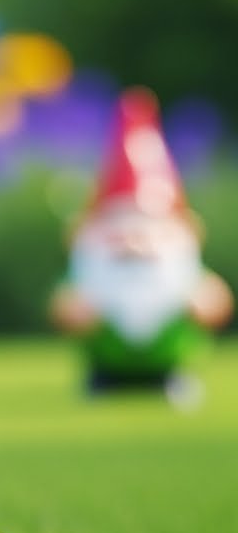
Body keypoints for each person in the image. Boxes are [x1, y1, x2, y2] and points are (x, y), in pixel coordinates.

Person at [50, 87, 233, 397]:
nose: (134, 244)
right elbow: (64, 307)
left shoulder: (181, 272)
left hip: (167, 353)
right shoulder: (93, 272)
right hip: (108, 355)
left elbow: (215, 301)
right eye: (119, 229)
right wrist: (73, 310)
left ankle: (169, 376)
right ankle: (106, 377)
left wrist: (206, 302)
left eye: (146, 229)